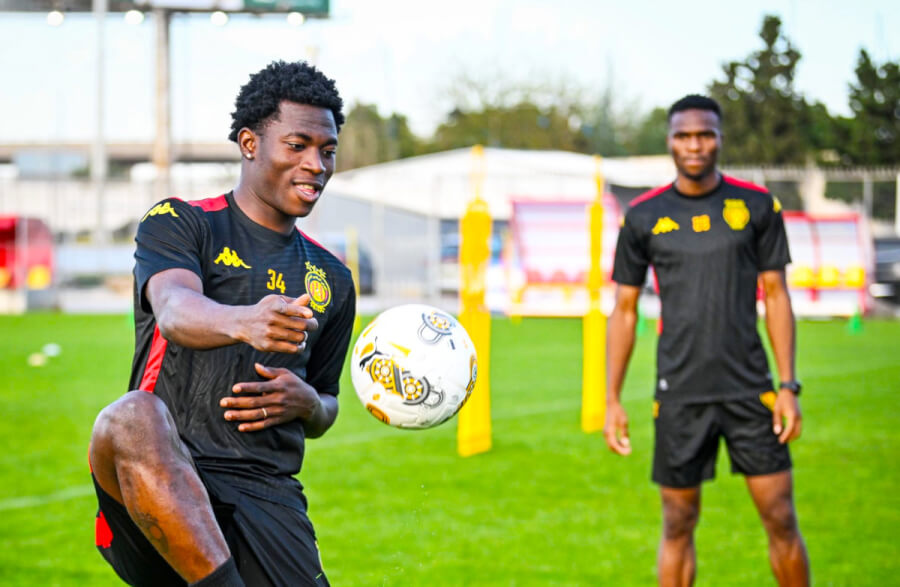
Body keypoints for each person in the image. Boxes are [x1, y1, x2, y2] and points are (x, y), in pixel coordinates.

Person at [89, 61, 355, 586]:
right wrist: (244, 321)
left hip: (267, 490)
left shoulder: (332, 278)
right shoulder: (182, 222)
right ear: (250, 143)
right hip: (165, 472)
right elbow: (174, 311)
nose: (316, 165)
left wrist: (308, 405)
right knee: (131, 415)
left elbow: (327, 401)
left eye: (327, 151)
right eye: (297, 145)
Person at [604, 94, 810, 587]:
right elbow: (624, 310)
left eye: (704, 134)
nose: (694, 145)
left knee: (780, 517)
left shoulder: (757, 206)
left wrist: (788, 385)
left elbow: (777, 297)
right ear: (670, 141)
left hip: (750, 389)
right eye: (683, 135)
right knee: (677, 523)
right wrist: (611, 398)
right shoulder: (643, 216)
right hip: (680, 393)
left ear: (719, 139)